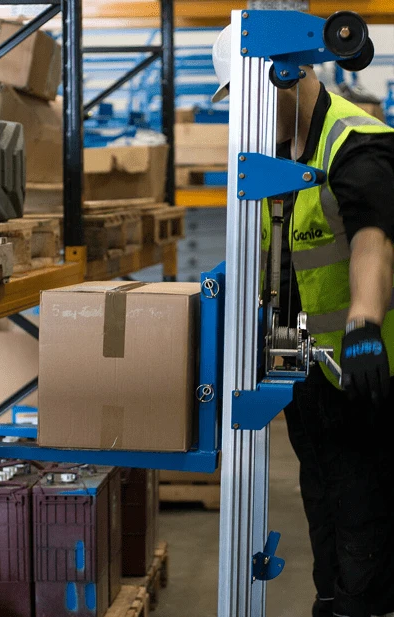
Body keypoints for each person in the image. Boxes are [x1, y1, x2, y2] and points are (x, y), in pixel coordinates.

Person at [212, 24, 394, 617]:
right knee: (324, 505)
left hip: (364, 378)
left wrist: (364, 323)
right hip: (307, 377)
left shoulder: (354, 142)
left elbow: (373, 234)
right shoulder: (272, 158)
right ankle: (331, 601)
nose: (246, 118)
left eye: (252, 99)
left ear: (288, 77)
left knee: (366, 520)